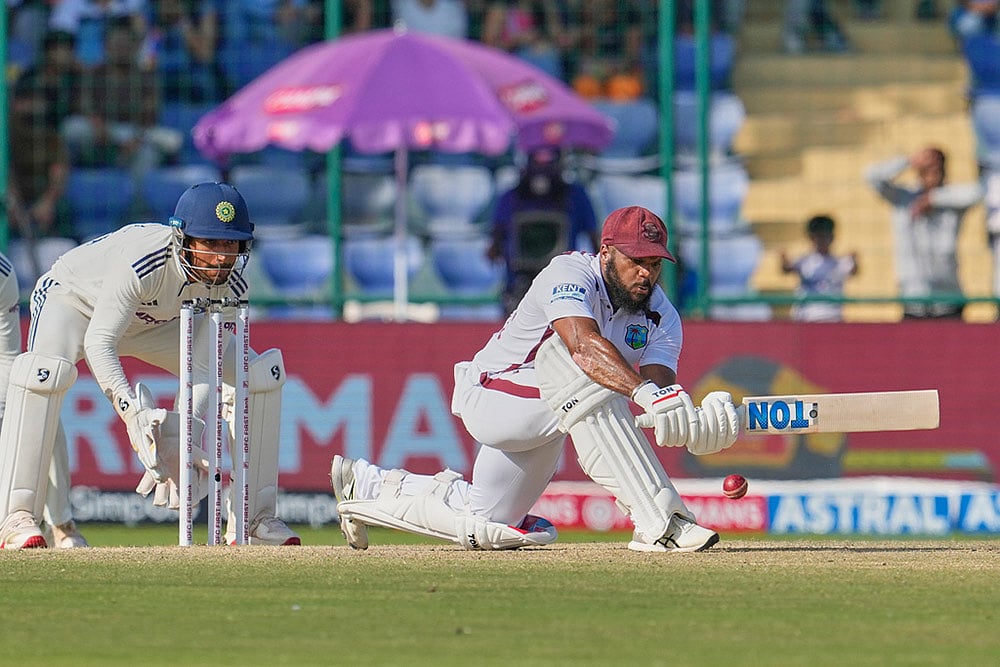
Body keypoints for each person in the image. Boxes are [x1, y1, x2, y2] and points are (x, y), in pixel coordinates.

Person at [331, 205, 741, 553]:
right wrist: (646, 393)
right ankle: (661, 524)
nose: (645, 274)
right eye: (635, 261)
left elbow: (658, 382)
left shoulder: (660, 313)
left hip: (553, 412)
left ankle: (365, 485)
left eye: (653, 264)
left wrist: (687, 415)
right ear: (606, 252)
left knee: (489, 526)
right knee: (589, 375)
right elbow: (582, 346)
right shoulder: (568, 272)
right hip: (495, 393)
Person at [0, 182, 300, 549]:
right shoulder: (145, 263)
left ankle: (253, 518)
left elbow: (205, 367)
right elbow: (100, 341)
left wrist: (184, 433)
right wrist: (131, 413)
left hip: (155, 324)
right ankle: (17, 516)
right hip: (75, 304)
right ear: (182, 237)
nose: (222, 257)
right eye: (211, 243)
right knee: (42, 378)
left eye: (231, 244)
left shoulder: (229, 281)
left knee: (256, 373)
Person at [0, 251, 88, 548]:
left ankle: (60, 525)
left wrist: (6, 415)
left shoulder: (1, 272)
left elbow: (7, 359)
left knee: (39, 403)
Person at [865, 147, 983, 319]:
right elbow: (872, 177)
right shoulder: (903, 198)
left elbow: (979, 193)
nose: (932, 173)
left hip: (948, 300)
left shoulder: (951, 199)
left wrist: (934, 199)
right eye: (927, 168)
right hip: (913, 300)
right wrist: (907, 161)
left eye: (937, 168)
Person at [488, 147, 599, 317]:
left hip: (562, 281)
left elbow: (594, 237)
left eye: (549, 163)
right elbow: (495, 242)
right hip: (520, 282)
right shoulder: (512, 197)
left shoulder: (575, 196)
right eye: (537, 162)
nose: (543, 170)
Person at [780, 214, 859, 322]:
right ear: (811, 238)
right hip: (807, 318)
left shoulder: (840, 263)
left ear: (832, 237)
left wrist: (855, 261)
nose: (822, 240)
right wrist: (783, 260)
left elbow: (854, 271)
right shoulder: (804, 261)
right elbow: (787, 269)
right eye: (818, 236)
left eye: (825, 236)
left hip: (833, 317)